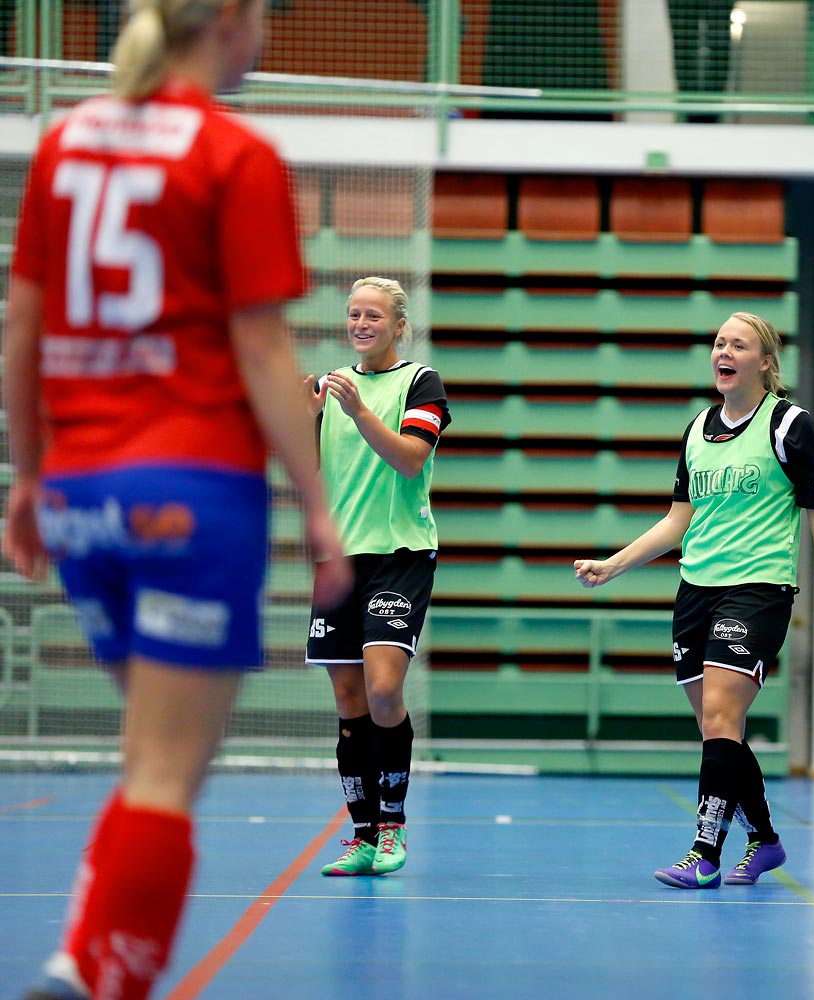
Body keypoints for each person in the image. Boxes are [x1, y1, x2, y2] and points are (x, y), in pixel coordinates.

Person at [2, 2, 351, 996]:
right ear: (232, 21)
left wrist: (29, 477)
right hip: (191, 493)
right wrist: (320, 510)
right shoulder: (234, 153)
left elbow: (22, 329)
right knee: (165, 774)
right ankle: (94, 981)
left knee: (151, 758)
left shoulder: (67, 139)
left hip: (80, 497)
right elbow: (261, 348)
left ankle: (81, 959)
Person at [574, 311, 814, 889]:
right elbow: (679, 520)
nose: (723, 352)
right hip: (696, 590)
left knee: (722, 718)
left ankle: (704, 854)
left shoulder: (790, 425)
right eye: (719, 343)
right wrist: (613, 564)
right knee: (718, 730)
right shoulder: (698, 429)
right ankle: (766, 842)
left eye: (738, 345)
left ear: (766, 363)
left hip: (758, 589)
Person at [304, 277, 451, 877]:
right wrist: (300, 420)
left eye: (373, 315)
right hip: (339, 559)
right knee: (348, 698)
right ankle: (362, 834)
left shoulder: (419, 383)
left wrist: (357, 411)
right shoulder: (326, 389)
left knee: (384, 688)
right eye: (353, 313)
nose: (360, 323)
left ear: (398, 326)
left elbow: (409, 458)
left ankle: (393, 825)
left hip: (400, 553)